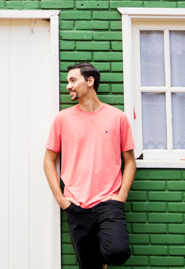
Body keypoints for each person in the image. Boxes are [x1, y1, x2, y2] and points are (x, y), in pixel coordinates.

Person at [44, 62, 137, 268]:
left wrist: (121, 196)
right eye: (68, 81)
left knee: (118, 252)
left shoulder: (117, 118)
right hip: (76, 204)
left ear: (90, 81)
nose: (68, 86)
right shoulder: (62, 119)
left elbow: (130, 161)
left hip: (109, 201)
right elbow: (48, 161)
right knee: (89, 267)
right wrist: (61, 199)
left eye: (73, 80)